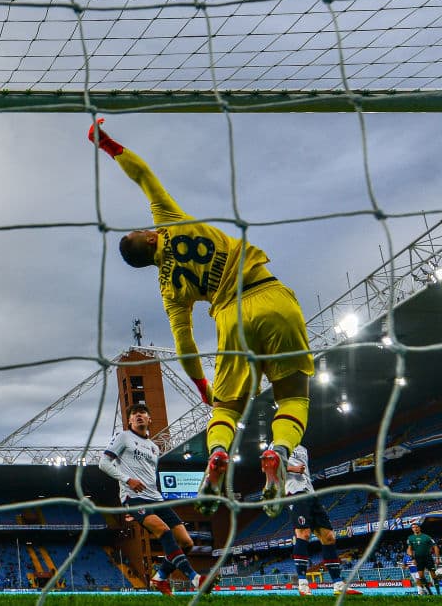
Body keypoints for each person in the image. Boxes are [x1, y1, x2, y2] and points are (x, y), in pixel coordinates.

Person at [89, 120, 314, 518]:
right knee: (293, 397)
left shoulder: (169, 289)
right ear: (151, 236)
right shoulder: (171, 221)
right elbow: (142, 174)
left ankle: (219, 454)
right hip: (271, 294)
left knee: (225, 409)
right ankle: (280, 451)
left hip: (230, 319)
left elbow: (185, 345)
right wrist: (105, 143)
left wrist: (200, 385)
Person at [98, 403, 204, 595]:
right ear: (129, 420)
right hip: (135, 497)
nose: (138, 416)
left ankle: (160, 577)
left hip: (156, 498)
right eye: (134, 414)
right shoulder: (123, 437)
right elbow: (103, 463)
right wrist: (127, 480)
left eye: (142, 413)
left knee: (187, 542)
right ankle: (195, 578)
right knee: (163, 531)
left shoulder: (154, 448)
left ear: (149, 419)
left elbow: (150, 476)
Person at [284, 444, 359, 596]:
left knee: (329, 537)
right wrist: (293, 469)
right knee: (304, 534)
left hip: (311, 494)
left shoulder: (303, 448)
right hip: (295, 492)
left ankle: (338, 585)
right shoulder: (277, 444)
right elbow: (267, 467)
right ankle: (303, 584)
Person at [407, 521, 441, 596]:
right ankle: (430, 593)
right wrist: (412, 558)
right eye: (413, 527)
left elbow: (435, 546)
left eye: (416, 527)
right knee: (421, 576)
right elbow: (409, 549)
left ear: (419, 528)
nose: (415, 529)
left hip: (428, 558)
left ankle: (438, 593)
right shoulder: (410, 538)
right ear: (412, 529)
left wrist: (437, 558)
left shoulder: (427, 537)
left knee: (433, 575)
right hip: (418, 559)